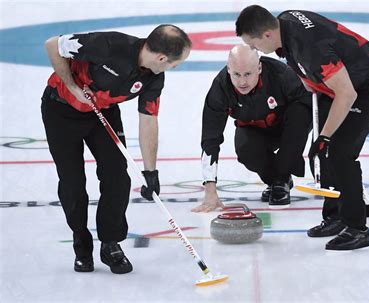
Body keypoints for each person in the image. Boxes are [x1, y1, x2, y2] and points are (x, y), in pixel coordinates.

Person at [236, 6, 369, 250]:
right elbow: (296, 57)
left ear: (267, 34)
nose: (255, 51)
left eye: (254, 45)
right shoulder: (285, 22)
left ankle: (357, 229)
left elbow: (347, 93)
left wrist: (326, 137)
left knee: (338, 152)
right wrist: (307, 81)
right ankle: (335, 216)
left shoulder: (310, 48)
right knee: (322, 156)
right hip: (331, 86)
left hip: (366, 88)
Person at [42, 25, 191, 273]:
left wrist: (150, 172)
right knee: (73, 183)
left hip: (104, 114)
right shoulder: (109, 45)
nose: (174, 68)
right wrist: (72, 87)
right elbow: (52, 44)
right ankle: (81, 243)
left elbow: (148, 119)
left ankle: (110, 243)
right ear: (162, 57)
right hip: (61, 111)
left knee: (118, 179)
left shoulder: (154, 78)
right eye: (176, 63)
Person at [192, 44, 312, 213]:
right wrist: (210, 190)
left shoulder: (281, 74)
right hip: (255, 128)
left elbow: (309, 106)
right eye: (236, 74)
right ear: (228, 69)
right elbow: (210, 138)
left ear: (259, 68)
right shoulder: (219, 90)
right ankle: (276, 180)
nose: (242, 82)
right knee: (245, 148)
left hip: (289, 124)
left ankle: (281, 179)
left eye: (248, 74)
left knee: (299, 114)